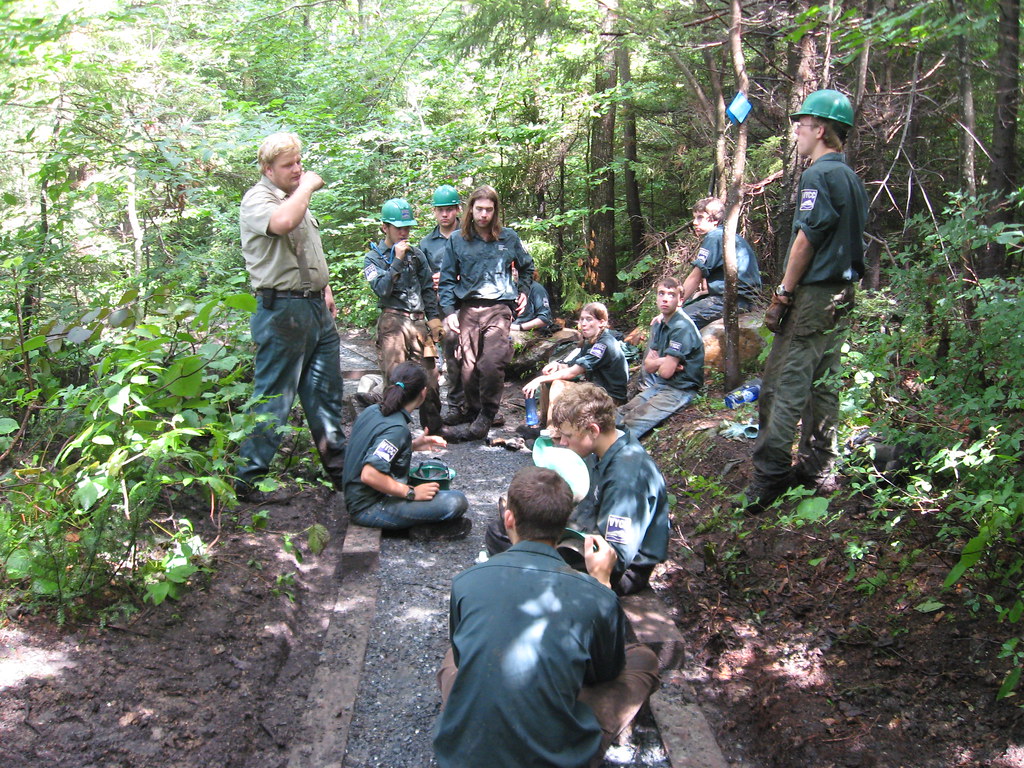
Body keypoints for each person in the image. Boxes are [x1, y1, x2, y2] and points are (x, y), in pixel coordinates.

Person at [433, 465, 660, 768]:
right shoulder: (596, 595)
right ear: (565, 524)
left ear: (508, 518)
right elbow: (605, 674)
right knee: (642, 659)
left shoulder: (466, 581)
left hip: (460, 756)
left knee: (453, 654)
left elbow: (463, 658)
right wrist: (603, 584)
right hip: (557, 759)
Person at [745, 89, 868, 510]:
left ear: (820, 129)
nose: (796, 132)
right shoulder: (850, 177)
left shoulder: (818, 175)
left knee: (783, 383)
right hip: (843, 293)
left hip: (815, 294)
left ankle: (771, 475)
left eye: (801, 125)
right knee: (824, 380)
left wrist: (783, 293)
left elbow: (805, 240)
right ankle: (818, 466)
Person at [235, 132, 346, 499]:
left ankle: (341, 472)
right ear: (268, 169)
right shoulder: (259, 199)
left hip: (314, 308)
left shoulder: (293, 199)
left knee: (326, 393)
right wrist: (308, 187)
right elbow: (281, 224)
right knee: (274, 397)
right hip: (282, 310)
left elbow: (308, 253)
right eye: (289, 165)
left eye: (300, 162)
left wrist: (324, 288)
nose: (298, 169)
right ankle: (249, 480)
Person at [486, 383, 670, 596]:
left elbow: (614, 556)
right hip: (588, 532)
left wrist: (550, 549)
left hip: (621, 569)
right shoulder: (602, 448)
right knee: (506, 524)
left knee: (504, 538)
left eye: (568, 436)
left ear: (593, 430)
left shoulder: (626, 479)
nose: (563, 442)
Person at [438, 185, 535, 442]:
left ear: (495, 211)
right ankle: (473, 411)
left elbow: (527, 266)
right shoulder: (458, 240)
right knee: (467, 366)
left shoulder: (508, 238)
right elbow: (447, 280)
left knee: (490, 363)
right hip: (468, 308)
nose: (484, 215)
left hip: (499, 308)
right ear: (471, 209)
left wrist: (523, 291)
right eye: (479, 209)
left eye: (489, 210)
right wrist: (449, 312)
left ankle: (487, 415)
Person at [342, 361, 470, 534]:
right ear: (423, 392)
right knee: (456, 501)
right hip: (368, 508)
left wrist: (412, 445)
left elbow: (374, 448)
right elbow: (369, 474)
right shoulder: (397, 430)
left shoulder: (373, 409)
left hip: (355, 497)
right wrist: (410, 493)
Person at [363, 198, 443, 435]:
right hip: (393, 322)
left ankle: (434, 431)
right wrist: (396, 260)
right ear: (384, 227)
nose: (404, 232)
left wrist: (434, 319)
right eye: (399, 227)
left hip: (419, 323)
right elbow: (381, 289)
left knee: (430, 379)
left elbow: (428, 287)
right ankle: (392, 431)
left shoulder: (417, 255)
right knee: (395, 380)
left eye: (407, 227)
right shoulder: (373, 258)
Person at [520, 302, 628, 438]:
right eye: (582, 319)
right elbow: (572, 364)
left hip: (610, 397)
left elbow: (574, 372)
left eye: (589, 319)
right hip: (595, 389)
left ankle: (555, 432)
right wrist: (557, 365)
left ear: (601, 322)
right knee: (549, 378)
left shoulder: (603, 344)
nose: (583, 323)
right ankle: (542, 426)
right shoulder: (591, 341)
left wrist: (538, 379)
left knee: (558, 384)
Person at [617, 277, 704, 438]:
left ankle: (610, 456)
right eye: (661, 293)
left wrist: (660, 363)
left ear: (680, 300)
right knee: (620, 413)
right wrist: (663, 361)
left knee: (630, 423)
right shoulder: (659, 323)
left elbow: (665, 372)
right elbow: (649, 367)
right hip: (661, 385)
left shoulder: (682, 327)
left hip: (680, 390)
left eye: (671, 294)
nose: (665, 298)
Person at [419, 185, 467, 426]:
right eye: (441, 210)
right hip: (442, 307)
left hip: (468, 303)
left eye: (449, 209)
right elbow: (421, 276)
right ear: (435, 213)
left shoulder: (470, 234)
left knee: (476, 356)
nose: (445, 214)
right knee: (449, 354)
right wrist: (431, 278)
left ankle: (478, 404)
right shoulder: (427, 243)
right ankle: (456, 405)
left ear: (458, 210)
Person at [678, 196, 762, 328]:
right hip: (745, 299)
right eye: (694, 217)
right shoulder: (728, 235)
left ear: (714, 220)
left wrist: (676, 303)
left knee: (676, 321)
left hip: (732, 300)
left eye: (700, 217)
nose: (694, 222)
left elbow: (696, 276)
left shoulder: (714, 237)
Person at [509, 269, 554, 341]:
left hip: (529, 332)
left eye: (517, 270)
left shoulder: (537, 289)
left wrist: (519, 327)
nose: (514, 273)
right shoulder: (509, 289)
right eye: (512, 270)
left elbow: (544, 319)